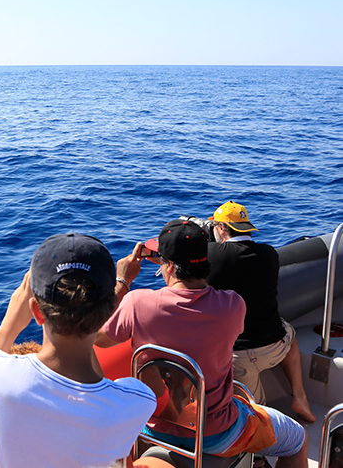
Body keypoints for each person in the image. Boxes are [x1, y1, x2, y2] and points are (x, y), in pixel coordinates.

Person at [96, 220, 308, 468]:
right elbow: (199, 301)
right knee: (297, 438)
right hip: (217, 434)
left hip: (154, 428)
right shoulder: (232, 306)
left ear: (169, 265)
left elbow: (98, 337)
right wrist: (176, 266)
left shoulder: (136, 304)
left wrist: (123, 280)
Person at [0, 234, 157, 468]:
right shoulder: (137, 401)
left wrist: (7, 328)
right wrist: (121, 283)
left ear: (36, 312)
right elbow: (101, 394)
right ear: (110, 311)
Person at [206, 201, 315, 422]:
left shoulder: (212, 256)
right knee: (289, 332)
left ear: (221, 228)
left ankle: (266, 448)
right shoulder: (269, 254)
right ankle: (300, 397)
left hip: (241, 356)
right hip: (276, 345)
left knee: (255, 416)